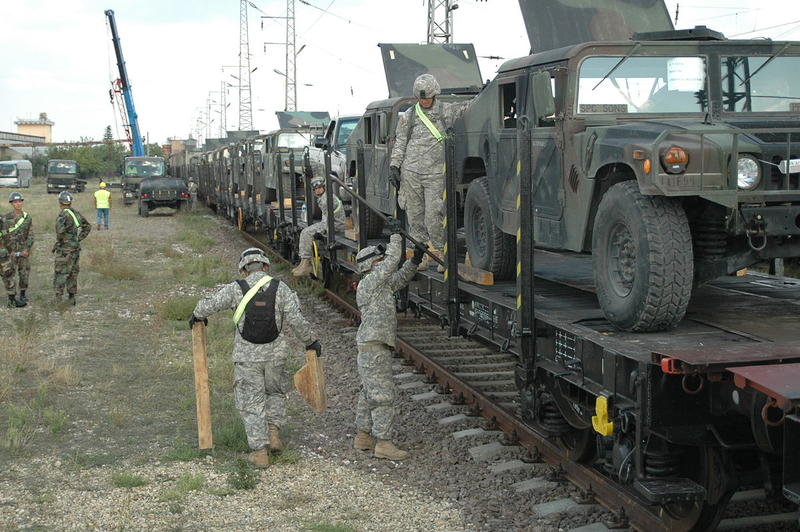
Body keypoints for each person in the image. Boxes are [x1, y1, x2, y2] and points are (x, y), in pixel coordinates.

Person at [189, 247, 322, 468]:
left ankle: (260, 452)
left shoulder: (236, 288)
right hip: (275, 355)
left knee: (251, 401)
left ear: (243, 269)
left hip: (247, 356)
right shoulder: (281, 289)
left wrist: (197, 316)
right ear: (265, 266)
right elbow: (297, 321)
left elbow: (206, 306)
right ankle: (273, 434)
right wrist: (310, 342)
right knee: (275, 392)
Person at [353, 230, 425, 460]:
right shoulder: (370, 283)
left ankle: (363, 437)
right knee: (383, 395)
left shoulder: (379, 286)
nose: (383, 263)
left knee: (368, 393)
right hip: (374, 348)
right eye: (379, 260)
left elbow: (400, 277)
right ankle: (384, 443)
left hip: (372, 346)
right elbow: (393, 261)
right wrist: (396, 237)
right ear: (371, 265)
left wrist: (414, 261)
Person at [390, 73, 471, 271]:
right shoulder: (409, 116)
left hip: (435, 174)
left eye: (427, 97)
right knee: (415, 218)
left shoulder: (446, 111)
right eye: (421, 98)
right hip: (411, 173)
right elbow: (400, 142)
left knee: (434, 217)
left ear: (435, 95)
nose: (425, 101)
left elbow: (469, 108)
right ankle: (421, 257)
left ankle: (445, 255)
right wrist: (394, 166)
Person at [292, 176, 346, 277]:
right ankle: (303, 262)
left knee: (306, 232)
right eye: (315, 189)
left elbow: (327, 221)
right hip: (332, 222)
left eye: (319, 188)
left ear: (324, 187)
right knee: (307, 231)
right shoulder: (325, 196)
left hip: (334, 225)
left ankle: (306, 264)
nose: (317, 190)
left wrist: (321, 230)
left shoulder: (325, 200)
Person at [53, 191, 91, 305]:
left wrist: (63, 240)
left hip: (64, 250)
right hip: (75, 249)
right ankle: (71, 298)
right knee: (73, 273)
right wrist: (78, 239)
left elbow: (59, 232)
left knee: (60, 273)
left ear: (60, 202)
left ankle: (58, 298)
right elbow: (87, 226)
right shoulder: (76, 214)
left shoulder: (62, 215)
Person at [2, 192, 33, 307]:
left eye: (20, 201)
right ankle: (12, 298)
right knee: (10, 274)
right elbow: (3, 235)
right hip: (10, 251)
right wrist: (9, 251)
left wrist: (27, 249)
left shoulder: (27, 218)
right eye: (15, 202)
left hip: (23, 250)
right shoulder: (6, 218)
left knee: (24, 273)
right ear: (11, 203)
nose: (18, 204)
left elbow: (31, 235)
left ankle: (23, 294)